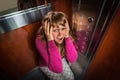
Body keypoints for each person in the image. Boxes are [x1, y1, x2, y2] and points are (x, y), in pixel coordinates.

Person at [35, 11, 78, 80]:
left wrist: (67, 36)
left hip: (60, 58)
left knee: (71, 78)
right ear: (47, 31)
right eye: (55, 30)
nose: (60, 34)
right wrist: (50, 41)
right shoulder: (40, 40)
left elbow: (72, 59)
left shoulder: (66, 33)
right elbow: (57, 69)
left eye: (63, 28)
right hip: (46, 65)